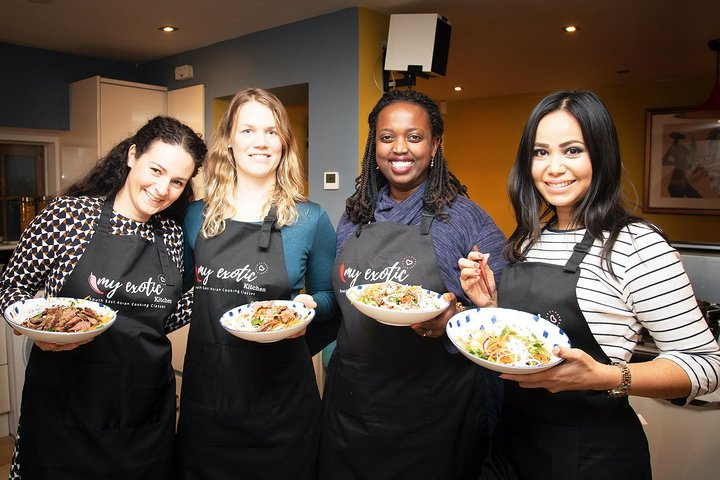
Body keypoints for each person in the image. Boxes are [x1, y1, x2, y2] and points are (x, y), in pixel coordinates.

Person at [459, 90, 720, 480]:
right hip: (512, 446)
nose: (553, 167)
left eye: (572, 150)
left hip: (590, 456)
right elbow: (528, 342)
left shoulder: (635, 244)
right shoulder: (530, 238)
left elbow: (706, 365)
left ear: (601, 155)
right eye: (540, 152)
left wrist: (607, 376)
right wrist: (490, 306)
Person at [0, 115, 207, 479]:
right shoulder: (68, 217)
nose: (163, 189)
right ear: (131, 156)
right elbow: (11, 287)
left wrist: (212, 293)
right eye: (155, 170)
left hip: (143, 408)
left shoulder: (172, 236)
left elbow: (161, 315)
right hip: (65, 407)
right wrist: (31, 328)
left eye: (177, 181)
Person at [318, 89, 507, 480]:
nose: (399, 148)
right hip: (352, 408)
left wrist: (453, 317)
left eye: (415, 137)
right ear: (375, 146)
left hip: (432, 417)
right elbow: (339, 306)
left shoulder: (464, 219)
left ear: (435, 144)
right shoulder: (354, 217)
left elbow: (502, 315)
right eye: (387, 137)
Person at [175, 87, 337, 479]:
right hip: (208, 405)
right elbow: (173, 289)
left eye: (271, 131)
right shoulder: (195, 216)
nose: (260, 142)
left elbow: (332, 299)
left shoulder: (310, 219)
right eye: (247, 130)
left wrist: (309, 310)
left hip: (282, 406)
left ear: (284, 142)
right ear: (228, 139)